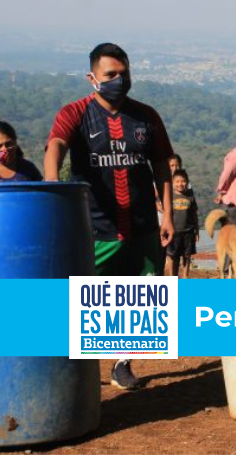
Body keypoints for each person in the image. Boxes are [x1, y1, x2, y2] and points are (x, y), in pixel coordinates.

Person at [43, 42, 175, 391]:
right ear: (92, 78)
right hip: (93, 226)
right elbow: (56, 145)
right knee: (83, 297)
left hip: (142, 225)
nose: (119, 80)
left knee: (140, 298)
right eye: (111, 74)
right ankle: (72, 370)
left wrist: (167, 214)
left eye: (124, 73)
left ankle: (122, 363)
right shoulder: (76, 113)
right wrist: (52, 186)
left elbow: (161, 166)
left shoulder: (146, 116)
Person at [167, 169, 198, 278]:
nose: (180, 184)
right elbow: (166, 212)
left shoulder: (190, 194)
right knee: (173, 256)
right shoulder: (170, 196)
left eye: (183, 181)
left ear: (187, 182)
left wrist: (197, 230)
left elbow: (194, 214)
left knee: (187, 256)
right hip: (174, 232)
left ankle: (185, 277)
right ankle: (172, 277)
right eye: (177, 181)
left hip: (188, 232)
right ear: (173, 182)